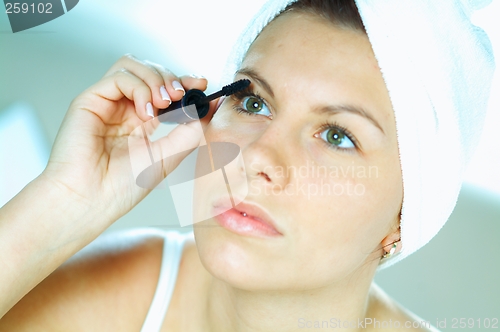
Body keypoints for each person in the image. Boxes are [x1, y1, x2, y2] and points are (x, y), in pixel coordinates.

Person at [0, 0, 493, 331]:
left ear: (404, 219)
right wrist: (64, 203)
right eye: (254, 103)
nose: (255, 157)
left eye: (338, 136)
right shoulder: (130, 291)